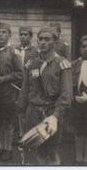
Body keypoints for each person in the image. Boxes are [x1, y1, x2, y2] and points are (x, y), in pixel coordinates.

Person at [18, 27, 72, 165]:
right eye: (40, 39)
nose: (42, 42)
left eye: (47, 39)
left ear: (55, 42)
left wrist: (55, 115)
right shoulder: (31, 64)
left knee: (52, 151)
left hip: (52, 113)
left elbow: (66, 95)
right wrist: (22, 112)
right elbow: (24, 90)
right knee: (40, 150)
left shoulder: (62, 64)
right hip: (33, 112)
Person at [0, 22, 23, 162]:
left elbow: (20, 74)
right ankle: (0, 147)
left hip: (8, 91)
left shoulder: (14, 52)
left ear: (9, 35)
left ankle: (8, 149)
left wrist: (4, 79)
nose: (0, 35)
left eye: (3, 32)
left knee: (7, 121)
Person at [71, 34, 87, 165]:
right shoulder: (73, 65)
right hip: (77, 103)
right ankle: (78, 158)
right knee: (78, 129)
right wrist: (74, 97)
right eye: (83, 46)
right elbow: (68, 84)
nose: (86, 49)